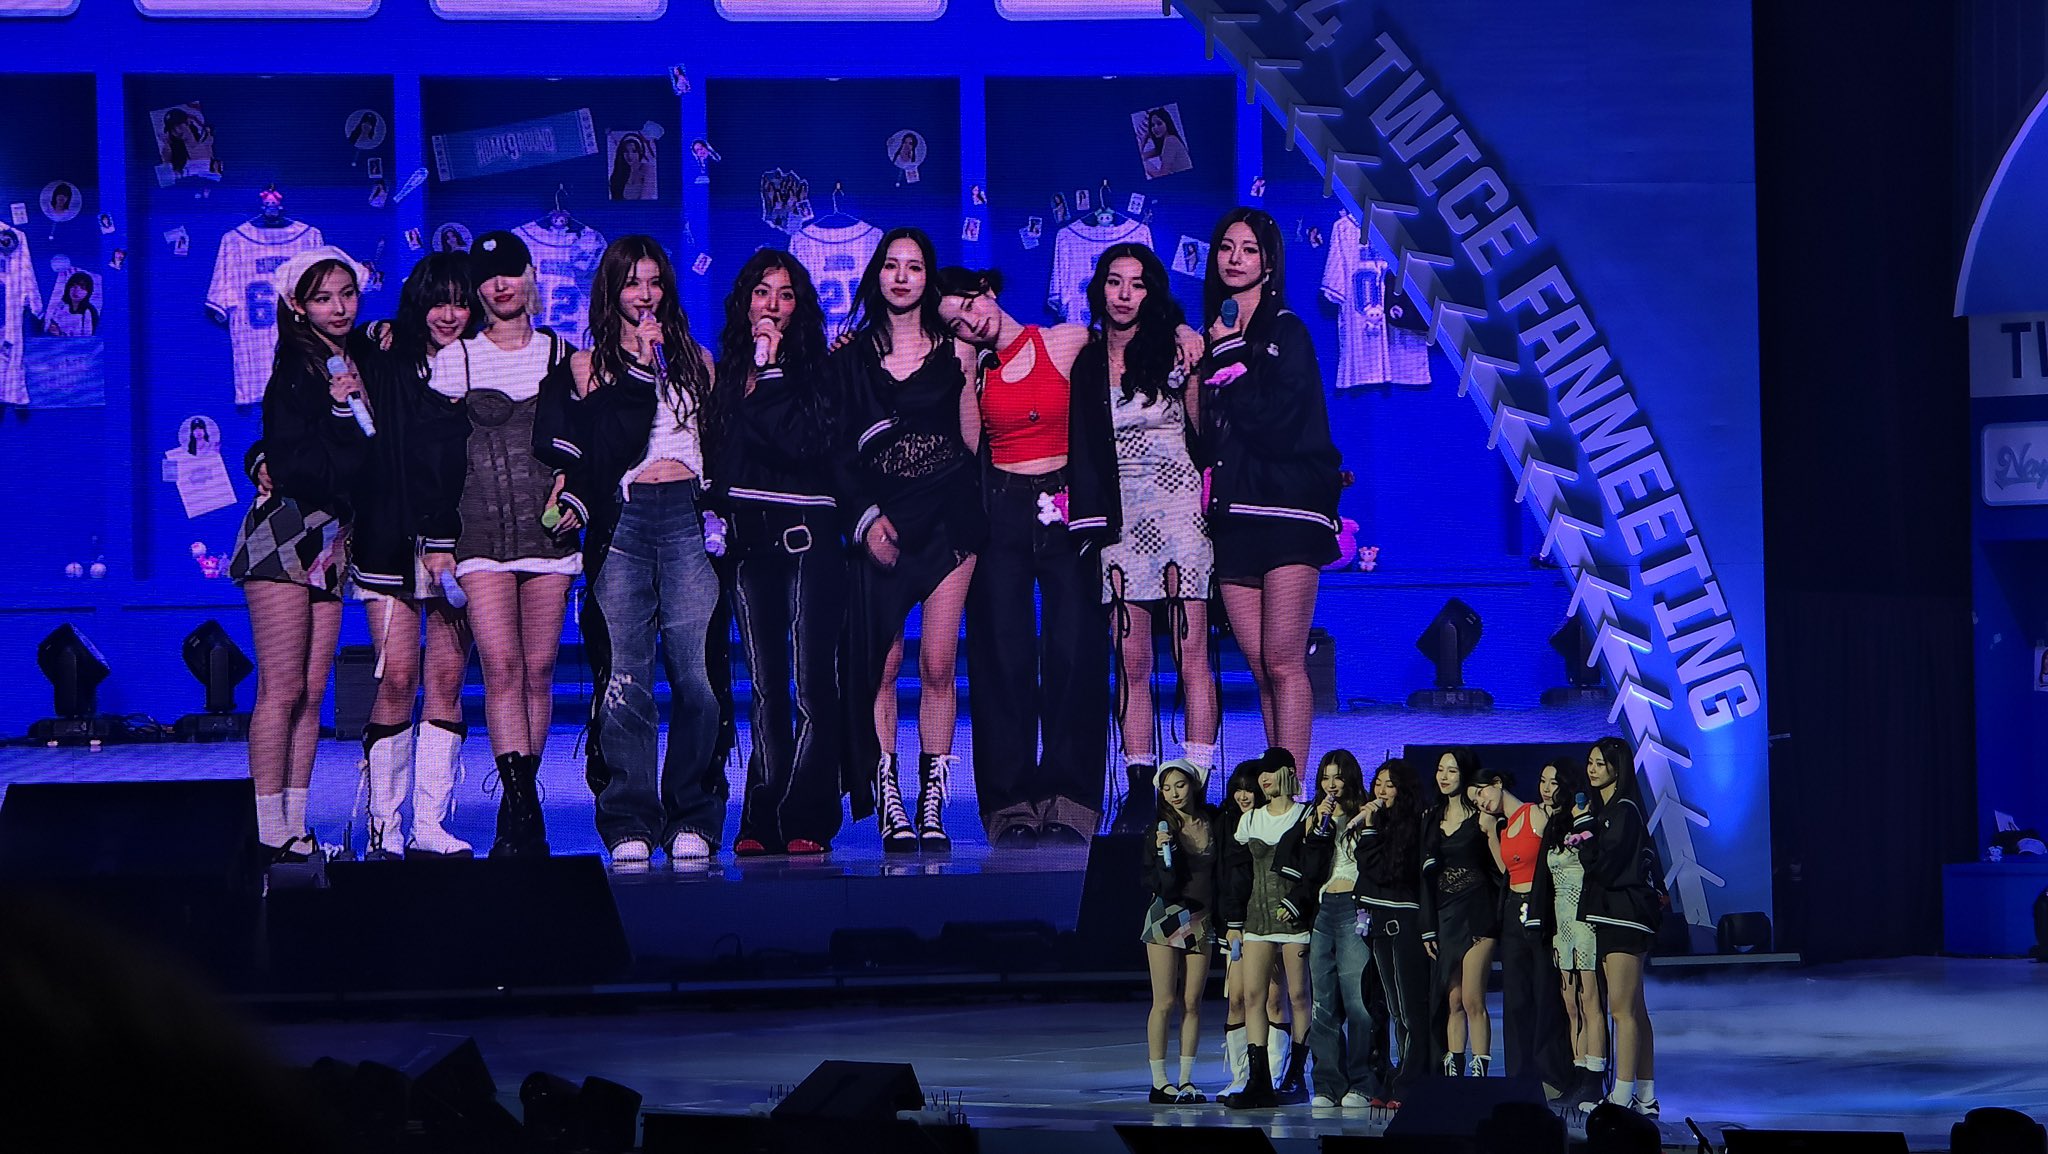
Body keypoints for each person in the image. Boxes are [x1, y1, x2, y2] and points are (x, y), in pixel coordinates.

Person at [935, 267, 1200, 847]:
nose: (971, 322)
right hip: (1002, 507)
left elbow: (1128, 335)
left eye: (971, 305)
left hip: (1068, 505)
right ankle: (1008, 805)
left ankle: (1071, 801)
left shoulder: (1064, 339)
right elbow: (972, 445)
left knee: (1075, 650)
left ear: (989, 291)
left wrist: (1180, 329)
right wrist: (963, 368)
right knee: (1002, 654)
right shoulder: (976, 369)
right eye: (956, 323)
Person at [534, 235, 723, 866]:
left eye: (655, 282)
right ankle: (628, 817)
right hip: (624, 519)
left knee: (697, 676)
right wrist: (637, 367)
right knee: (625, 677)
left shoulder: (696, 359)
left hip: (688, 515)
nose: (646, 295)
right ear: (611, 292)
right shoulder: (586, 367)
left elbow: (716, 445)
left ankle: (694, 812)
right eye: (633, 283)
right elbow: (597, 452)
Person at [421, 231, 577, 859]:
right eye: (488, 277)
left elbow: (584, 445)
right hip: (478, 537)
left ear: (530, 274)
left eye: (510, 272)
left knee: (539, 671)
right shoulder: (455, 358)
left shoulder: (562, 353)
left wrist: (574, 488)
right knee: (503, 668)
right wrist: (437, 541)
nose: (500, 286)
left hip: (549, 536)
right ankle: (518, 807)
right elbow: (435, 460)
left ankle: (524, 809)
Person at [836, 228, 984, 853]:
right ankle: (889, 795)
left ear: (928, 279)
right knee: (884, 664)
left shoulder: (954, 353)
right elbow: (839, 453)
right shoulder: (851, 358)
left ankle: (932, 801)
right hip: (884, 527)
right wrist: (868, 520)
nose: (902, 277)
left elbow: (973, 446)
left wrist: (970, 371)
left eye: (915, 266)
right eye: (892, 266)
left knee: (938, 664)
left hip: (950, 521)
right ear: (877, 274)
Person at [1066, 244, 1217, 832]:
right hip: (1118, 517)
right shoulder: (1086, 360)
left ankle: (1194, 786)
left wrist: (1191, 351)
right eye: (1114, 281)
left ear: (1151, 292)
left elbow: (1203, 430)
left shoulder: (1173, 349)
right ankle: (1138, 788)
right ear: (1099, 290)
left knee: (1190, 656)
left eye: (1137, 283)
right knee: (1131, 660)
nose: (1124, 293)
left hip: (1180, 510)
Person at [230, 246, 371, 859]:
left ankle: (295, 826)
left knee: (313, 693)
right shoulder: (294, 368)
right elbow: (297, 461)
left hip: (332, 541)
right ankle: (268, 832)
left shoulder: (357, 358)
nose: (339, 307)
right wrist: (339, 413)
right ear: (297, 306)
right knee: (282, 687)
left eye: (347, 294)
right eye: (323, 298)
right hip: (286, 534)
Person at [1194, 208, 1341, 774]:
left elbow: (1277, 424)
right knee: (1259, 666)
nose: (1235, 259)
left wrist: (1232, 353)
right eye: (1226, 247)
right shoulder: (1212, 335)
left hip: (1288, 513)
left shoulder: (1287, 331)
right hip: (1234, 517)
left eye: (1249, 249)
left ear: (1269, 262)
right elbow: (1207, 433)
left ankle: (1292, 795)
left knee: (1283, 661)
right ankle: (1277, 783)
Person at [707, 250, 844, 855]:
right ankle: (762, 814)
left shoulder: (819, 371)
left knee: (812, 684)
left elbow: (801, 444)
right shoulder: (724, 373)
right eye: (762, 292)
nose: (772, 305)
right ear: (744, 301)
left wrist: (769, 371)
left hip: (806, 536)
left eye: (786, 295)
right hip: (747, 541)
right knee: (766, 689)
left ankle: (808, 814)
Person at [349, 251, 477, 859]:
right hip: (388, 541)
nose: (450, 314)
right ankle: (385, 824)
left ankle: (430, 823)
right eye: (438, 302)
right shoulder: (382, 351)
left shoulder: (478, 362)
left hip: (461, 542)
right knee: (398, 675)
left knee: (446, 679)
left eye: (461, 302)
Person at [1573, 737, 1663, 1117]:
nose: (1592, 769)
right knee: (1635, 1009)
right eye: (1590, 762)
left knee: (1622, 1010)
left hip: (1623, 917)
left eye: (1600, 763)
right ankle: (1645, 1096)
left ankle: (1621, 1097)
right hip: (1616, 916)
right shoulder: (1611, 810)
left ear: (1617, 767)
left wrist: (1584, 834)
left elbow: (1605, 866)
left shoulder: (1622, 811)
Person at [1472, 766, 1574, 1094]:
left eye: (1482, 793)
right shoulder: (1504, 827)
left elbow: (1554, 863)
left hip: (1539, 908)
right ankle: (1518, 1075)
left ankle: (1551, 1075)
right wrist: (1491, 834)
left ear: (1498, 783)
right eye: (1476, 800)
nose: (1482, 802)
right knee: (1515, 998)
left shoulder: (1535, 815)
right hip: (1513, 910)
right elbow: (1508, 870)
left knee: (1544, 993)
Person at [1296, 749, 1386, 1108]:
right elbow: (1307, 865)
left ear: (1350, 778)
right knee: (1323, 1002)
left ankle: (1363, 1081)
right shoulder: (1314, 816)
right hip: (1323, 908)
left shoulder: (1365, 812)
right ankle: (1327, 1083)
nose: (1331, 784)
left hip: (1353, 905)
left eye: (1337, 777)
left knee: (1357, 1000)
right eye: (1325, 777)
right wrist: (1317, 825)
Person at [1221, 752, 1311, 1108]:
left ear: (1287, 773)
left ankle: (1295, 1077)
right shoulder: (1250, 819)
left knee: (1298, 997)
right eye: (1260, 774)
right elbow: (1238, 874)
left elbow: (1313, 869)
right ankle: (1258, 1080)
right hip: (1257, 920)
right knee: (1253, 996)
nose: (1263, 778)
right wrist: (1233, 923)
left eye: (1270, 771)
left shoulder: (1305, 814)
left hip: (1294, 920)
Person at [1140, 760, 1218, 1104]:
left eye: (1180, 785)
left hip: (1202, 917)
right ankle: (1159, 1082)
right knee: (1165, 1001)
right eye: (1167, 788)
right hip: (1166, 916)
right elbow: (1155, 881)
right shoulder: (1159, 829)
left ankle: (1186, 1080)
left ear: (1194, 786)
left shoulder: (1213, 822)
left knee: (1192, 1002)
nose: (1173, 793)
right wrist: (1164, 851)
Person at [1420, 748, 1500, 1077]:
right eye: (1440, 769)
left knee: (1471, 998)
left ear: (1465, 774)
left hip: (1479, 913)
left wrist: (1491, 830)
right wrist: (1427, 926)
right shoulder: (1430, 818)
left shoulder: (1482, 816)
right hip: (1445, 915)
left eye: (1452, 771)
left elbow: (1501, 868)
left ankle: (1480, 1072)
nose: (1444, 776)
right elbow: (1423, 878)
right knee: (1451, 999)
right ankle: (1454, 1073)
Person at [1355, 757, 1429, 1107]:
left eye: (1390, 784)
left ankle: (1410, 1082)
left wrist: (1369, 830)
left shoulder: (1412, 826)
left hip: (1405, 921)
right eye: (1378, 783)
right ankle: (1400, 1076)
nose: (1381, 791)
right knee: (1394, 1009)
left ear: (1404, 789)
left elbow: (1384, 871)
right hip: (1379, 921)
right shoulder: (1380, 824)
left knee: (1411, 1009)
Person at [1538, 756, 1606, 1105]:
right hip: (1560, 922)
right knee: (1570, 1003)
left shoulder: (1588, 816)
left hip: (1585, 920)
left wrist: (1585, 825)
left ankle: (1594, 1078)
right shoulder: (1553, 825)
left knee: (1590, 999)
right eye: (1543, 781)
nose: (1547, 789)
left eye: (1554, 782)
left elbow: (1597, 862)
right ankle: (1577, 1074)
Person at [1140, 108, 1193, 179]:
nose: (1155, 128)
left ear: (1167, 124)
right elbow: (1142, 157)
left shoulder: (1171, 140)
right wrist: (1144, 139)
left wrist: (1147, 166)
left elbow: (1162, 174)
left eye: (1159, 123)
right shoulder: (1162, 144)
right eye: (1152, 125)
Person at [46, 272, 98, 336]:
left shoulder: (89, 312)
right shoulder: (60, 307)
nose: (76, 290)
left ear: (88, 291)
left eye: (82, 287)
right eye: (73, 286)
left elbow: (88, 337)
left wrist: (61, 334)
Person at [610, 133, 655, 202]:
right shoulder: (618, 173)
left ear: (640, 152)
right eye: (626, 151)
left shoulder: (647, 170)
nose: (630, 155)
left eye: (634, 151)